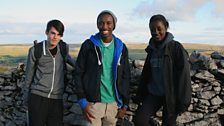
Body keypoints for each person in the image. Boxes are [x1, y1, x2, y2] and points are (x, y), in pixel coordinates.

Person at [133, 14, 192, 126]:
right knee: (139, 120)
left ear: (166, 27)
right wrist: (140, 94)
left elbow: (184, 76)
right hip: (154, 94)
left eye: (159, 28)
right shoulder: (151, 49)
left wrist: (183, 101)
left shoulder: (175, 48)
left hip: (171, 95)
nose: (156, 32)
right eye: (152, 29)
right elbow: (146, 73)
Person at [74, 10, 130, 126]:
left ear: (114, 25)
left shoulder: (121, 47)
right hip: (93, 104)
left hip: (113, 105)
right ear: (97, 25)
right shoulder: (88, 45)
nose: (104, 26)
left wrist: (125, 104)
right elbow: (78, 73)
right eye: (101, 23)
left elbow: (126, 76)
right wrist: (83, 101)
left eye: (109, 23)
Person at [25, 19, 73, 126]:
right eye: (53, 33)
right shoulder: (35, 50)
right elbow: (28, 76)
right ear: (46, 32)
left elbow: (73, 63)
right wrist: (26, 100)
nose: (55, 37)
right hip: (37, 97)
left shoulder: (64, 49)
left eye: (59, 34)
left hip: (57, 99)